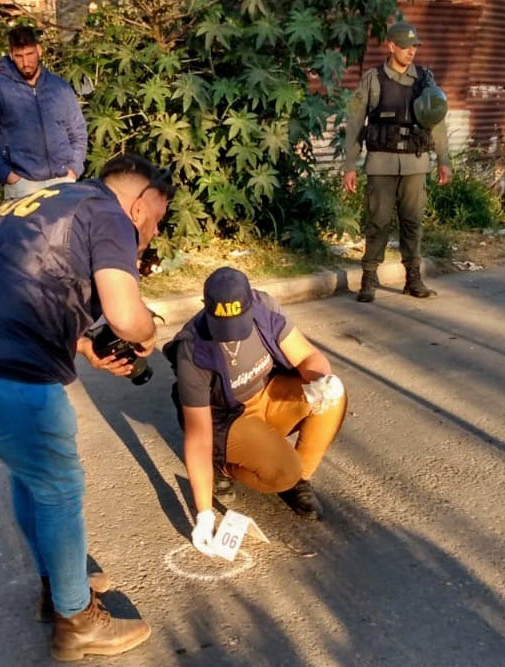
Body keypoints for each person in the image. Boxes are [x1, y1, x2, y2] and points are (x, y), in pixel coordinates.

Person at [0, 153, 172, 661]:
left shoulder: (48, 200)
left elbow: (22, 283)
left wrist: (84, 346)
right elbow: (127, 316)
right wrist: (147, 334)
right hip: (5, 360)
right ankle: (77, 621)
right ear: (142, 203)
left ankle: (59, 585)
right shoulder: (111, 215)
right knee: (59, 485)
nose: (152, 231)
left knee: (31, 475)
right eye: (158, 218)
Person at [163, 267, 348, 554]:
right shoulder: (192, 349)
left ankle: (297, 480)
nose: (229, 337)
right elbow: (198, 436)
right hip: (227, 417)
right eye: (221, 326)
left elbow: (308, 356)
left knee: (334, 397)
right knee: (283, 471)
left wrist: (321, 380)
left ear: (251, 303)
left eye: (238, 324)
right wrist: (204, 514)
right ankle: (225, 467)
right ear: (206, 309)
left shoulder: (265, 309)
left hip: (267, 395)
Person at [343, 20, 452, 303]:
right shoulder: (373, 79)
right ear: (391, 46)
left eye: (414, 46)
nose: (411, 52)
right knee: (377, 221)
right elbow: (355, 123)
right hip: (381, 162)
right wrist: (350, 166)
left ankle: (413, 279)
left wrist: (443, 159)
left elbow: (437, 122)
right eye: (405, 46)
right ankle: (368, 277)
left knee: (413, 221)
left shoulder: (425, 80)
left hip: (415, 162)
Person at [0, 25, 87, 200]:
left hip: (63, 181)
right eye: (19, 56)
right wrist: (8, 177)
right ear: (11, 55)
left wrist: (73, 170)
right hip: (22, 186)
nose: (26, 62)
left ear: (39, 50)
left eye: (30, 54)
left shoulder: (59, 87)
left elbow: (78, 131)